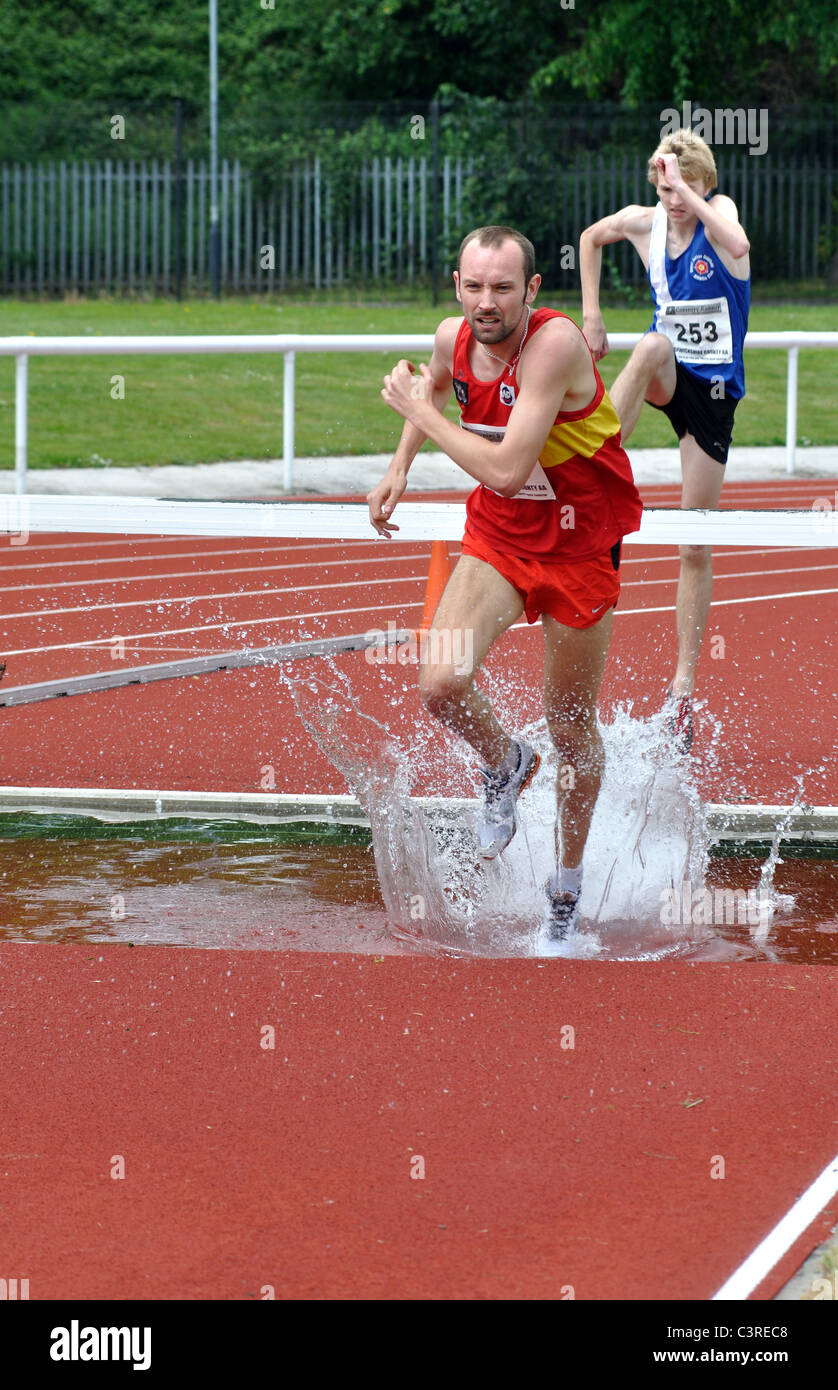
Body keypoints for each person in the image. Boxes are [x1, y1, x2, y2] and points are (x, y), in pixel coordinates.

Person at [366, 225, 642, 944]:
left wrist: (420, 416)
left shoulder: (554, 346)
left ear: (531, 290)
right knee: (439, 681)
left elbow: (507, 468)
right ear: (456, 284)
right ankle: (506, 763)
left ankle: (566, 887)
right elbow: (433, 382)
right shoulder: (450, 336)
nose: (486, 302)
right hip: (501, 535)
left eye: (502, 288)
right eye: (474, 286)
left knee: (571, 724)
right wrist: (400, 463)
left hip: (582, 545)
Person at [579, 128, 751, 750]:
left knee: (693, 543)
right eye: (663, 186)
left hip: (713, 397)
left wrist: (690, 189)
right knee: (650, 344)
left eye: (683, 187)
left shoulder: (719, 212)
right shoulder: (644, 222)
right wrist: (592, 313)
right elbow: (589, 240)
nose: (671, 199)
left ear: (704, 184)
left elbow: (737, 242)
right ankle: (596, 456)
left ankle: (682, 689)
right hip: (668, 374)